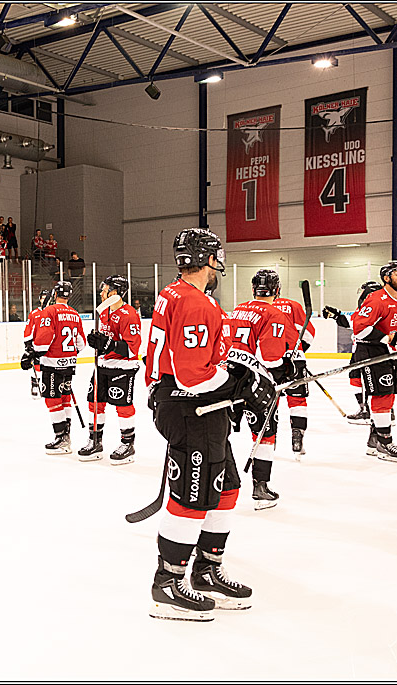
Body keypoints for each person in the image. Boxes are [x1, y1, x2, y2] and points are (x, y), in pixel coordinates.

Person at [144, 228, 273, 621]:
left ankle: (205, 570)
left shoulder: (181, 295)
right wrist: (238, 385)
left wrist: (241, 372)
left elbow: (204, 357)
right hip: (190, 407)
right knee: (192, 496)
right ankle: (168, 582)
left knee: (227, 488)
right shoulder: (195, 303)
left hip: (201, 406)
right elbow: (190, 375)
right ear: (208, 258)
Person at [226, 270, 300, 508]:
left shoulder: (237, 309)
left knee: (221, 430)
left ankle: (220, 482)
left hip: (228, 378)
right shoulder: (274, 313)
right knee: (265, 434)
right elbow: (270, 358)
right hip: (256, 383)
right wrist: (286, 368)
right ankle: (261, 486)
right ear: (277, 290)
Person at [350, 262, 397, 462]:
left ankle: (374, 440)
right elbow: (359, 328)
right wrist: (390, 339)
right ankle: (384, 441)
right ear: (386, 278)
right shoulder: (376, 299)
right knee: (382, 397)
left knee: (388, 397)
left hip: (392, 356)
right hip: (373, 352)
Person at [79, 274, 142, 464]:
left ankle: (127, 444)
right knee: (94, 403)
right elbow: (106, 340)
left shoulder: (129, 315)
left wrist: (110, 344)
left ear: (115, 292)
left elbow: (132, 349)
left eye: (105, 289)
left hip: (122, 367)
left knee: (123, 405)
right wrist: (96, 342)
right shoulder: (104, 311)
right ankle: (95, 441)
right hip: (102, 365)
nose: (101, 292)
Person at [26, 281, 86, 454]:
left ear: (54, 294)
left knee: (52, 400)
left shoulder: (49, 311)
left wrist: (34, 353)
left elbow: (45, 337)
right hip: (69, 364)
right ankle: (67, 436)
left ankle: (61, 438)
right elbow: (81, 344)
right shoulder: (75, 314)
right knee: (65, 397)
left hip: (52, 364)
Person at [322, 280, 384, 423]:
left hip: (369, 352)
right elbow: (351, 322)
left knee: (372, 382)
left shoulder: (376, 309)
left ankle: (374, 411)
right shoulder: (368, 309)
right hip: (361, 352)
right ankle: (368, 409)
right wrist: (336, 315)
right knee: (356, 377)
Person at [270, 286, 317, 456]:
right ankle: (297, 437)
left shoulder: (255, 308)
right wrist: (299, 351)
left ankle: (269, 440)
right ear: (277, 289)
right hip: (295, 359)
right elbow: (309, 333)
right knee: (297, 400)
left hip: (268, 361)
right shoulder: (291, 305)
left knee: (269, 400)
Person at [22, 289, 51, 398]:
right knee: (37, 365)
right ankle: (35, 384)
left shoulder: (53, 312)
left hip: (50, 345)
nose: (44, 300)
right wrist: (28, 344)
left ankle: (47, 385)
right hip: (38, 344)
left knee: (49, 366)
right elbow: (28, 329)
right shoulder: (34, 314)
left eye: (46, 298)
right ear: (40, 299)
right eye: (42, 298)